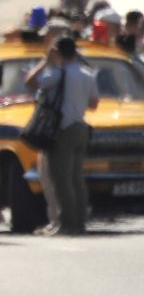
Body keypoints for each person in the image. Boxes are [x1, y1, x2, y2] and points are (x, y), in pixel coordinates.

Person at [26, 35, 100, 236]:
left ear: (57, 52)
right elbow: (94, 104)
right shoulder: (87, 74)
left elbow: (30, 82)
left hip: (62, 129)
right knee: (77, 178)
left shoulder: (56, 75)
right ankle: (79, 220)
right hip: (80, 127)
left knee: (61, 179)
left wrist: (46, 61)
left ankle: (66, 223)